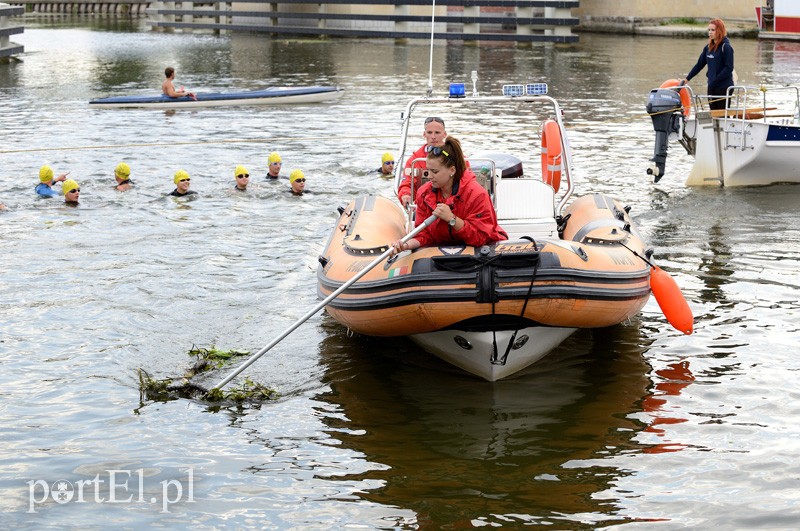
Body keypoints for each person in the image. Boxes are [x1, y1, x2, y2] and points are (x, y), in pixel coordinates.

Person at [391, 136, 507, 255]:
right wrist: (405, 245)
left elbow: (481, 238)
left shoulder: (476, 194)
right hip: (444, 251)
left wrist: (452, 219)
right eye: (428, 171)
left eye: (435, 172)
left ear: (452, 170)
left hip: (482, 251)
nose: (430, 176)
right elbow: (424, 235)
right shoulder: (424, 193)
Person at [684, 18, 735, 111]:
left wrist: (716, 80)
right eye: (709, 30)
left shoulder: (726, 47)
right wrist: (687, 79)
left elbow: (729, 68)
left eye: (713, 30)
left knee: (722, 115)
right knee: (713, 113)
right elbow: (699, 65)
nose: (710, 32)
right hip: (711, 86)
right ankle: (715, 126)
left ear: (719, 31)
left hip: (724, 87)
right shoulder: (707, 48)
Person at [396, 116, 448, 207]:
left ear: (444, 134)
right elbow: (407, 183)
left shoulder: (456, 156)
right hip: (424, 206)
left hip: (452, 204)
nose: (433, 137)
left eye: (437, 132)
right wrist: (406, 195)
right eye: (429, 132)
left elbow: (467, 179)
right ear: (424, 134)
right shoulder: (415, 160)